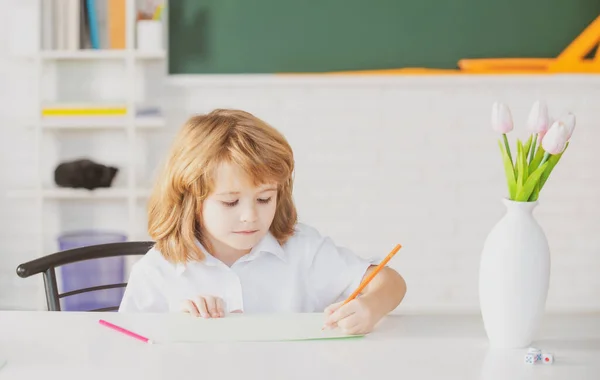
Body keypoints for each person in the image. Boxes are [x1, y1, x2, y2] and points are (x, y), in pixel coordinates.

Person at [118, 109, 407, 334]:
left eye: (264, 199)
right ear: (190, 200)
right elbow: (129, 347)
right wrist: (176, 328)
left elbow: (389, 282)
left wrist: (371, 307)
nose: (251, 216)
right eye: (230, 202)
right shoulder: (158, 270)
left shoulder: (302, 250)